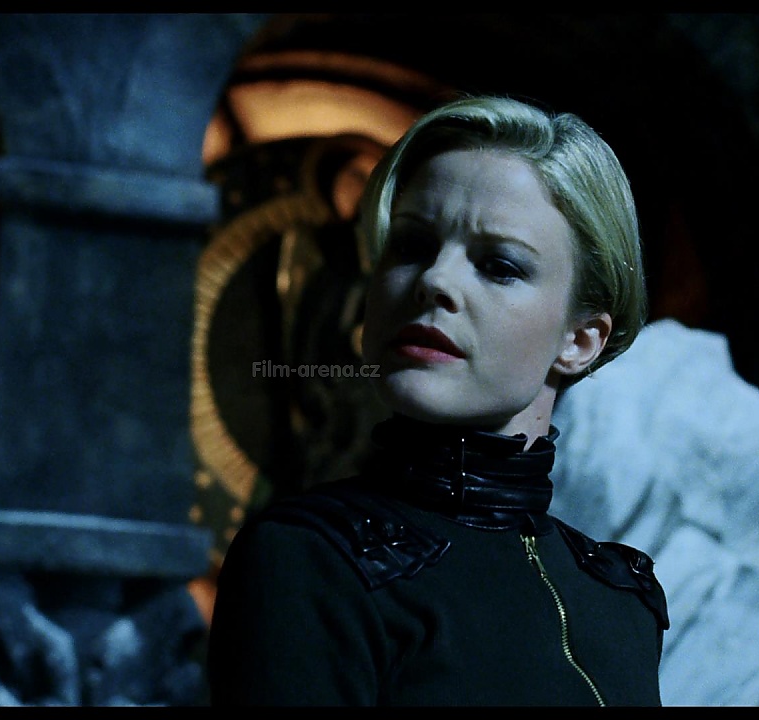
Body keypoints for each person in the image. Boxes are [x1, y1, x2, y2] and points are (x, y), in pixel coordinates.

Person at [205, 95, 668, 706]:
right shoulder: (309, 560)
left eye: (498, 265)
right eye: (412, 246)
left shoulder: (622, 596)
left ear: (580, 340)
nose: (433, 280)